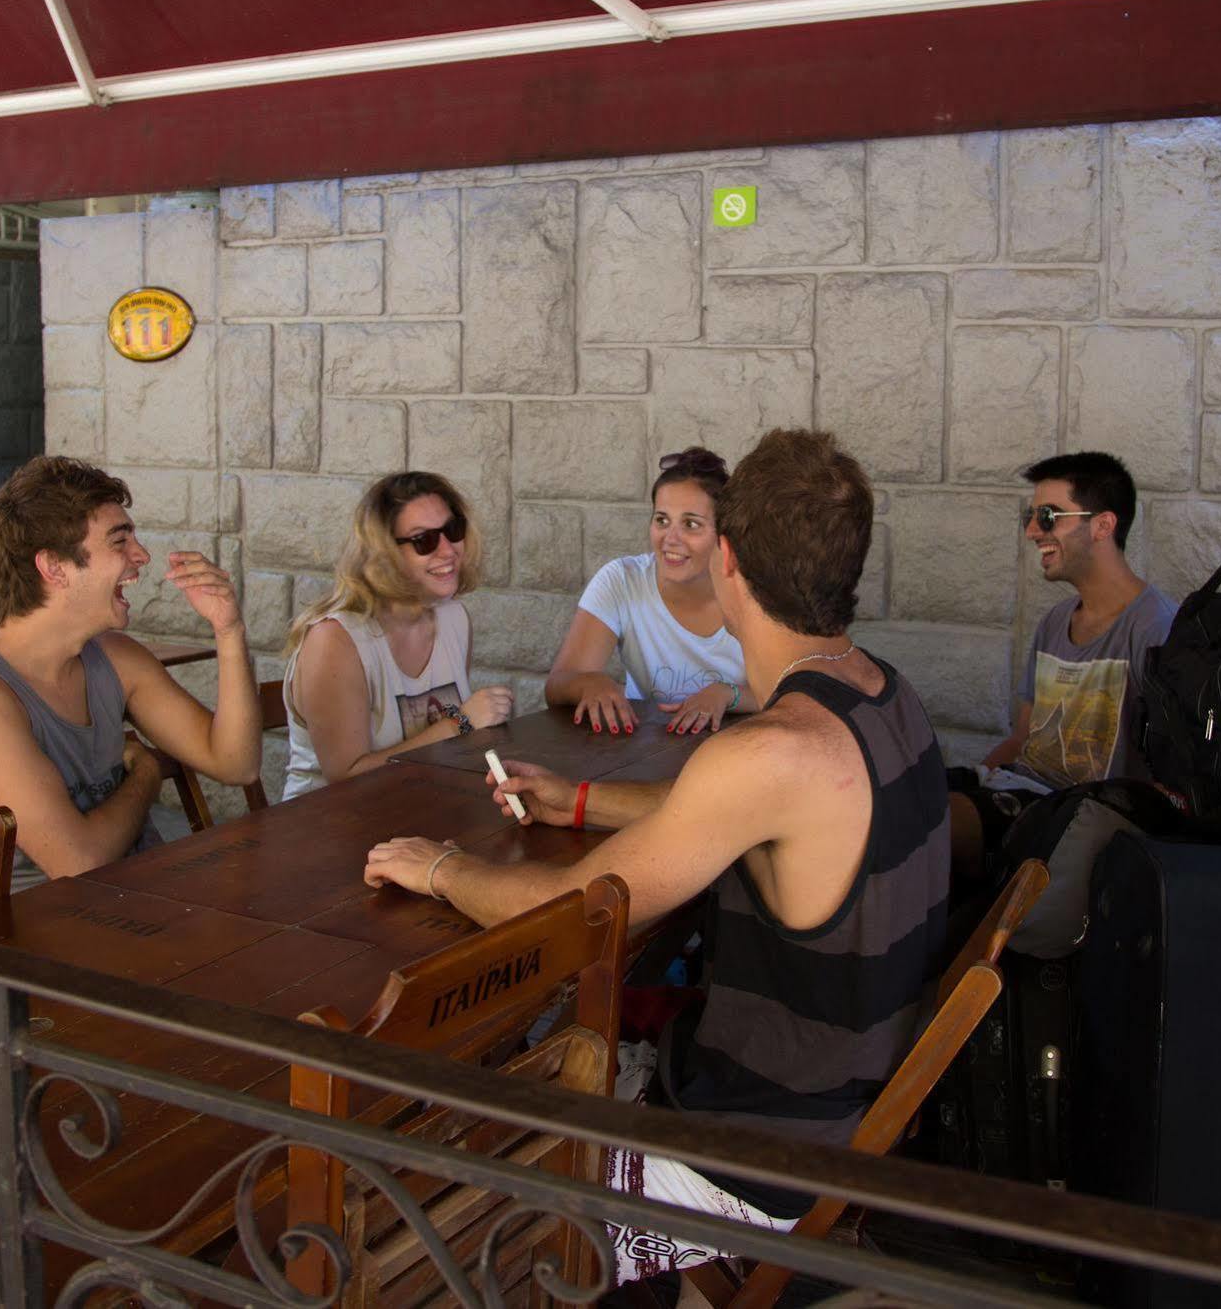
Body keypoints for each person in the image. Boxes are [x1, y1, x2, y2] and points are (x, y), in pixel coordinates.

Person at [362, 430, 950, 1286]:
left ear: (729, 560)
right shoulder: (878, 690)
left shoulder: (772, 749)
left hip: (757, 1150)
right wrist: (583, 800)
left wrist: (439, 866)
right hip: (849, 1105)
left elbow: (571, 912)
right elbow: (723, 816)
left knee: (418, 1197)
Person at [0, 457, 261, 885]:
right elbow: (79, 863)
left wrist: (229, 629)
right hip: (49, 936)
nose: (141, 555)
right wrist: (145, 775)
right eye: (119, 541)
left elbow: (237, 765)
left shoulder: (117, 658)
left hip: (151, 905)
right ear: (54, 567)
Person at [948, 451, 1179, 877]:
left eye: (1049, 515)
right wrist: (981, 773)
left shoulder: (1157, 630)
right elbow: (1023, 738)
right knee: (904, 793)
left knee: (928, 827)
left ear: (1102, 526)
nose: (1034, 531)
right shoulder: (1055, 622)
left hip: (1071, 821)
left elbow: (1171, 780)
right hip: (1016, 789)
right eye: (1030, 516)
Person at [282, 471, 512, 798]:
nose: (448, 551)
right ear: (384, 554)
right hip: (329, 828)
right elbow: (346, 780)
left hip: (422, 812)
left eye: (452, 530)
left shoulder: (454, 618)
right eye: (423, 540)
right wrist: (459, 724)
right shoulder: (335, 639)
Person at [544, 447, 751, 735]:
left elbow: (795, 692)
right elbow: (558, 685)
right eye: (662, 520)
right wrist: (590, 683)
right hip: (647, 757)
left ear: (723, 535)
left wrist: (727, 694)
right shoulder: (622, 581)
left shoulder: (755, 590)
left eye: (691, 524)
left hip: (740, 755)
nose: (670, 538)